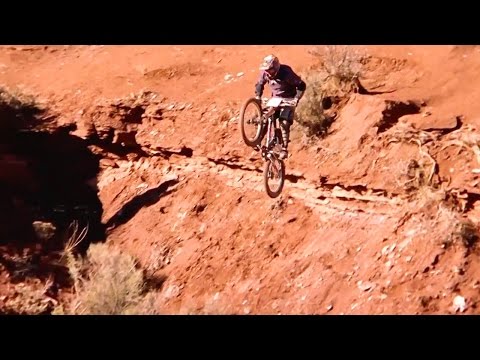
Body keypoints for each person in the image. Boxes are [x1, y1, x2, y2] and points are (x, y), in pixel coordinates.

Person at [255, 54, 306, 160]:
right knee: (265, 118)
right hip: (275, 99)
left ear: (276, 67)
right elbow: (259, 84)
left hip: (288, 99)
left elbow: (301, 85)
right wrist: (258, 96)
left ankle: (284, 149)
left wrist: (296, 99)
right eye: (267, 70)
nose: (268, 72)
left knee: (284, 122)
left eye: (270, 70)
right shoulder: (265, 73)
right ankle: (258, 140)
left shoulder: (286, 73)